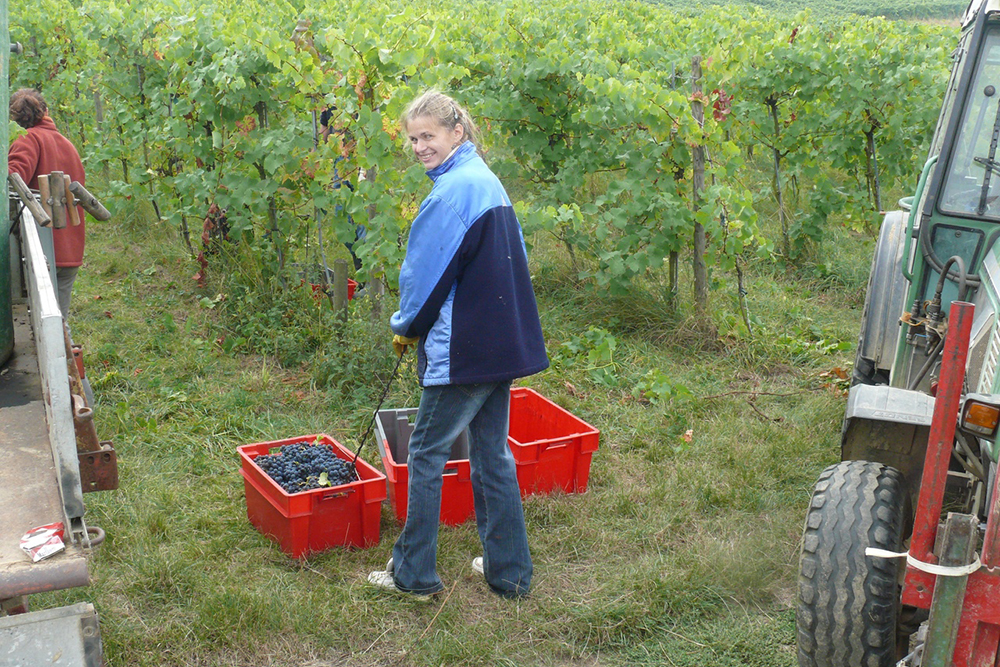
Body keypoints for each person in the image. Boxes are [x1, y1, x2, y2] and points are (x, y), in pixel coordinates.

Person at [366, 90, 549, 600]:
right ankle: (508, 572)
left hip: (466, 349)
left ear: (456, 132)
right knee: (492, 453)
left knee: (425, 452)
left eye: (429, 135)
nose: (420, 146)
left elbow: (425, 280)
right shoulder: (483, 180)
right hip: (501, 344)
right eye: (413, 138)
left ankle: (414, 576)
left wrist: (405, 327)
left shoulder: (449, 194)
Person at [8, 88, 87, 318]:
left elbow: (13, 178)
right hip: (70, 246)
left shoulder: (27, 139)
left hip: (43, 249)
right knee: (58, 320)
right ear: (46, 111)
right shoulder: (67, 144)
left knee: (44, 322)